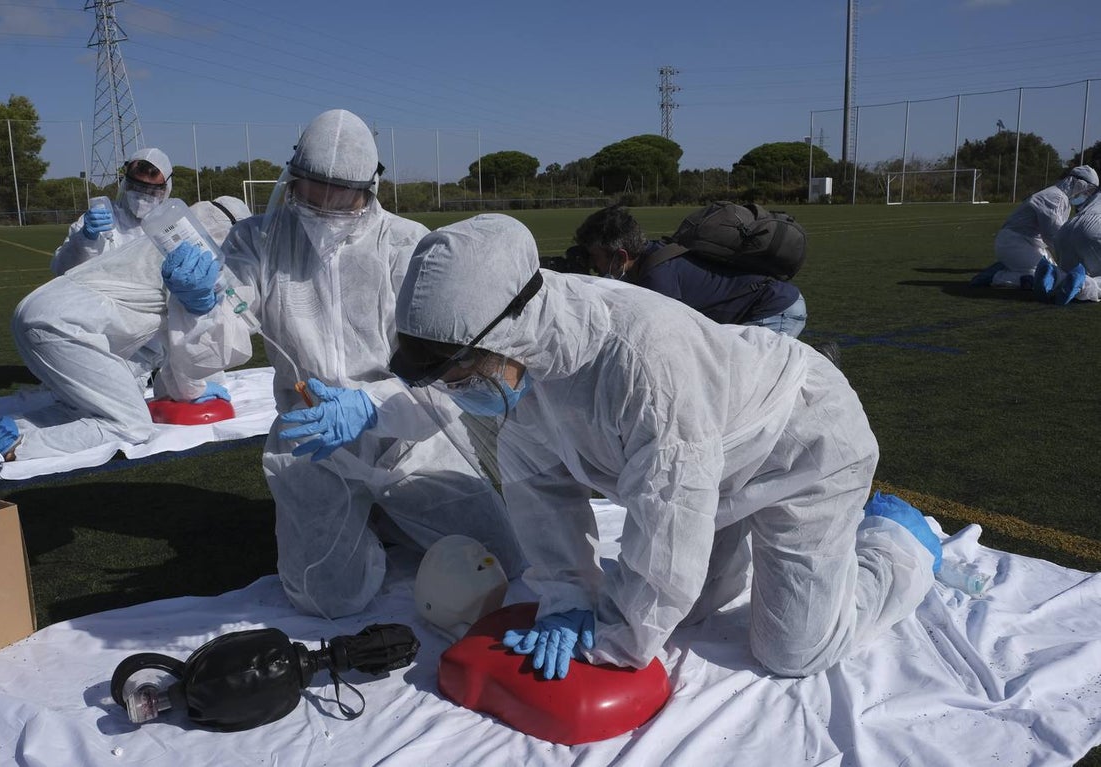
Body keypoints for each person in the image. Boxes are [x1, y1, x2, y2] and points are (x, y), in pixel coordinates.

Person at [389, 214, 939, 681]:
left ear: (507, 334)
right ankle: (754, 537)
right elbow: (539, 489)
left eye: (460, 371)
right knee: (691, 607)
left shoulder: (642, 360)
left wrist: (612, 642)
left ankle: (900, 541)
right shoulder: (528, 359)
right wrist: (567, 600)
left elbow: (671, 512)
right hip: (717, 459)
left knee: (793, 651)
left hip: (803, 445)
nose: (457, 388)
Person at [160, 109, 524, 620]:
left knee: (505, 563)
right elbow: (215, 350)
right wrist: (198, 306)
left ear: (370, 190)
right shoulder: (257, 241)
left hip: (408, 434)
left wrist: (370, 405)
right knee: (325, 598)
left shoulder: (408, 246)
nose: (324, 207)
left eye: (341, 195)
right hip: (312, 440)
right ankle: (364, 520)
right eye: (312, 190)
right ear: (292, 179)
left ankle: (387, 513)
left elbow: (444, 377)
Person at [0, 197, 251, 470]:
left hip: (41, 313)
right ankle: (6, 446)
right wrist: (196, 389)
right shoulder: (193, 264)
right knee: (132, 425)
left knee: (80, 410)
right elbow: (183, 343)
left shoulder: (153, 244)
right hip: (64, 327)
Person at [569, 204, 808, 337]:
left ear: (621, 256)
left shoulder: (657, 277)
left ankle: (818, 361)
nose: (593, 266)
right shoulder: (652, 256)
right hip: (763, 306)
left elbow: (665, 338)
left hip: (775, 309)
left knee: (744, 385)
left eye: (595, 258)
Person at [970, 165, 1099, 289]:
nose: (1087, 195)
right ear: (1079, 184)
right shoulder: (1055, 198)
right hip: (1015, 242)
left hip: (1029, 243)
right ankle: (997, 276)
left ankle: (1010, 267)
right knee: (1044, 277)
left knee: (1055, 272)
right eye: (1088, 191)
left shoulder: (1061, 199)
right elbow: (1053, 235)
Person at [52, 147, 175, 276]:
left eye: (151, 191)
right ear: (125, 183)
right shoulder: (100, 219)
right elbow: (61, 269)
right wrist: (85, 240)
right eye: (135, 187)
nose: (141, 198)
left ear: (165, 190)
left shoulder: (173, 224)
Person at [1035, 179, 1101, 303]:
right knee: (1086, 280)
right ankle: (1084, 285)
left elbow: (1079, 204)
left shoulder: (1097, 194)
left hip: (1067, 230)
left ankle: (1055, 277)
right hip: (1094, 230)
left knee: (1068, 275)